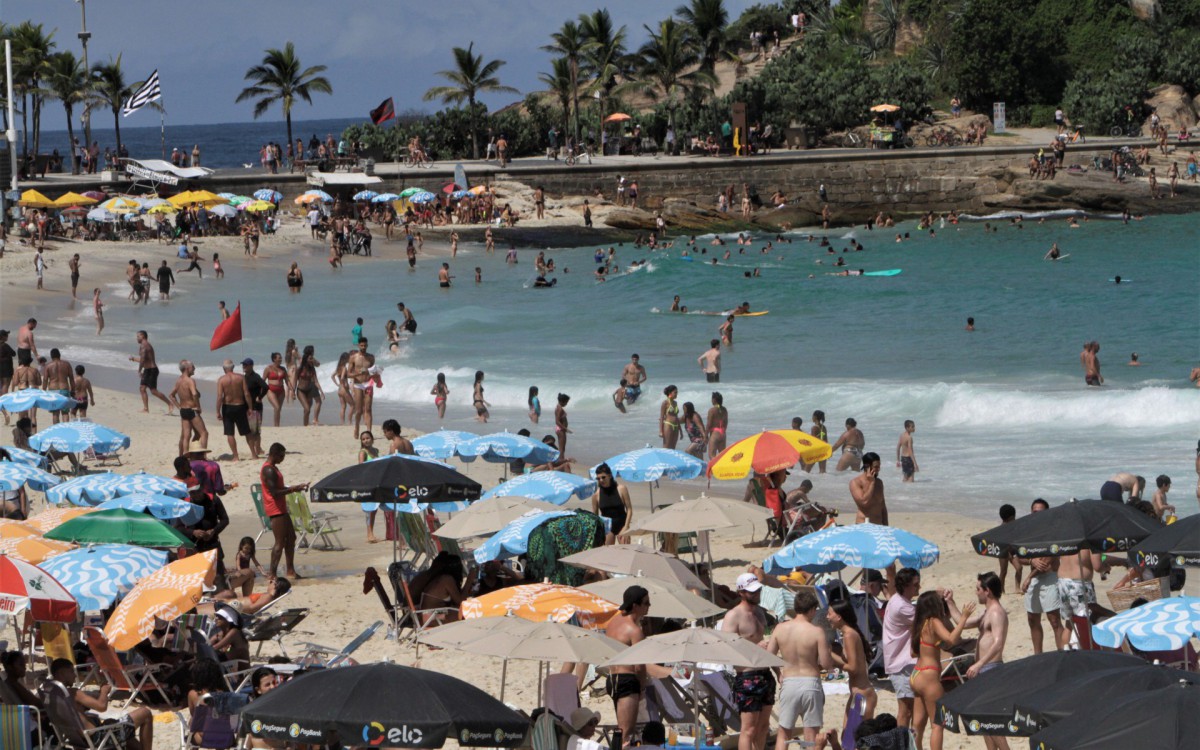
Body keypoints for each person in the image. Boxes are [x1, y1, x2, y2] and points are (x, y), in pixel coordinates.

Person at [767, 590, 832, 749]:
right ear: (810, 609)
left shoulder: (780, 629)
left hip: (789, 681)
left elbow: (768, 656)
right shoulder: (816, 631)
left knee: (784, 733)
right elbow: (826, 664)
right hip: (810, 683)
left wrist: (779, 674)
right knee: (811, 735)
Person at [910, 591, 975, 750]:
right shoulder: (933, 622)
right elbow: (952, 639)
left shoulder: (920, 623)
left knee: (917, 723)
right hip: (929, 677)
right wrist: (964, 617)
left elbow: (913, 653)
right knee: (937, 725)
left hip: (916, 675)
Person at [45, 657, 154, 750]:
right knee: (145, 713)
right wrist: (104, 691)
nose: (75, 675)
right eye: (71, 672)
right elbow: (102, 707)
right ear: (61, 673)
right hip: (98, 737)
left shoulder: (50, 693)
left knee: (119, 727)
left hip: (78, 740)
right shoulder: (72, 693)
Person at [724, 573, 773, 750]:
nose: (756, 594)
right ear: (741, 592)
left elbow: (764, 644)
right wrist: (754, 647)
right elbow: (728, 649)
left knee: (763, 727)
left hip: (765, 673)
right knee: (749, 729)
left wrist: (778, 670)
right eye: (752, 592)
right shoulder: (733, 616)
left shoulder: (760, 612)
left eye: (758, 590)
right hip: (747, 675)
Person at [604, 586, 650, 746]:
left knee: (621, 732)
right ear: (635, 605)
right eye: (646, 603)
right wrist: (643, 687)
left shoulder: (613, 623)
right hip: (627, 681)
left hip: (612, 679)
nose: (649, 606)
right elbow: (639, 666)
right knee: (626, 734)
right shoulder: (635, 631)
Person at [1020, 499, 1064, 654]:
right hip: (1035, 580)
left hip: (1050, 578)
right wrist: (1031, 560)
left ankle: (1061, 652)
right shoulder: (1029, 532)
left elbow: (1048, 559)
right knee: (1032, 619)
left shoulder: (1052, 531)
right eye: (1034, 512)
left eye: (1041, 512)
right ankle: (1037, 654)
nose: (1037, 515)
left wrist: (1029, 576)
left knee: (1054, 620)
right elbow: (1020, 556)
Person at [260, 443, 308, 579]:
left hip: (281, 507)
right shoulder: (268, 470)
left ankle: (290, 570)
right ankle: (272, 574)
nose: (283, 458)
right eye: (281, 456)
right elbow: (275, 492)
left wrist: (294, 487)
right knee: (279, 542)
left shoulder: (274, 468)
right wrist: (294, 489)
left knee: (291, 537)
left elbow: (278, 487)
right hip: (275, 509)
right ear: (274, 454)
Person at [882, 568, 920, 731]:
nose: (919, 587)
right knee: (906, 711)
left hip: (900, 661)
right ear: (905, 586)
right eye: (915, 584)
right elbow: (925, 622)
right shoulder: (902, 607)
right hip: (902, 664)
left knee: (909, 711)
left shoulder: (898, 599)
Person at [828, 599, 877, 720]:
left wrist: (831, 655)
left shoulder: (849, 635)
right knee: (847, 737)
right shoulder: (849, 633)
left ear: (839, 617)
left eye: (829, 613)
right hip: (859, 693)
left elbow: (853, 668)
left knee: (852, 738)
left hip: (862, 694)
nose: (827, 617)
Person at [408, 551, 465, 625]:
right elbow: (461, 602)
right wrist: (469, 580)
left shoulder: (439, 578)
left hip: (425, 617)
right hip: (430, 619)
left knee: (462, 611)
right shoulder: (446, 579)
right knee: (466, 613)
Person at [216, 359, 253, 461]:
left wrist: (217, 411)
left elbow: (220, 397)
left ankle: (236, 456)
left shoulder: (221, 380)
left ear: (224, 369)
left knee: (230, 433)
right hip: (240, 406)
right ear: (233, 367)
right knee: (247, 432)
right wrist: (250, 407)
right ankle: (254, 454)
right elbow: (246, 394)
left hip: (228, 407)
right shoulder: (241, 377)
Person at [170, 360, 208, 457]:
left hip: (183, 410)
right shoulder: (190, 380)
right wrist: (198, 406)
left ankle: (184, 456)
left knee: (186, 436)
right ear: (187, 369)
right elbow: (195, 394)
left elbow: (171, 395)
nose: (194, 368)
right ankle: (202, 456)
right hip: (192, 410)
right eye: (193, 367)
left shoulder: (179, 380)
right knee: (204, 433)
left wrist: (179, 407)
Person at [130, 330, 173, 414]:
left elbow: (142, 360)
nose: (137, 338)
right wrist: (134, 359)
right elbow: (144, 360)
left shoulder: (144, 346)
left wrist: (139, 370)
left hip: (152, 371)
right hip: (147, 370)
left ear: (143, 336)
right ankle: (146, 409)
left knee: (153, 391)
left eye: (138, 336)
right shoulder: (144, 345)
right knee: (142, 388)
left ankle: (170, 404)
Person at [591, 462, 633, 545]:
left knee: (626, 550)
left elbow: (629, 509)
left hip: (622, 524)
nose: (601, 480)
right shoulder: (596, 495)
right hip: (607, 527)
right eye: (598, 478)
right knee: (608, 554)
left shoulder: (621, 489)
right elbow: (595, 517)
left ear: (610, 476)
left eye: (603, 477)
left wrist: (626, 526)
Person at [849, 453, 888, 525]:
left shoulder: (879, 482)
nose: (878, 469)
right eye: (876, 467)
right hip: (863, 524)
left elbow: (883, 507)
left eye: (879, 466)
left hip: (879, 525)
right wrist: (872, 483)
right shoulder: (856, 482)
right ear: (867, 467)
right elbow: (864, 502)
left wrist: (886, 527)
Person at [241, 358, 267, 459]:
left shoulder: (255, 377)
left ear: (251, 366)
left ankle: (258, 448)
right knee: (251, 429)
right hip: (246, 407)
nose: (244, 367)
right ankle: (258, 448)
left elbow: (265, 387)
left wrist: (259, 397)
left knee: (255, 430)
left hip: (256, 407)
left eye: (246, 365)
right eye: (243, 365)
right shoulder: (243, 378)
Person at [43, 349, 74, 425]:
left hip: (53, 391)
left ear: (51, 356)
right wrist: (73, 390)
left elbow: (45, 379)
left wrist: (43, 390)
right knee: (65, 413)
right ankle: (66, 430)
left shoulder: (48, 366)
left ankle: (56, 430)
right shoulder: (67, 364)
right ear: (59, 355)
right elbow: (71, 378)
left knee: (55, 413)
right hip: (64, 389)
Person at [294, 345, 323, 427]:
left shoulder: (312, 364)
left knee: (308, 408)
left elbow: (318, 365)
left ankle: (306, 424)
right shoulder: (302, 363)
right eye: (313, 351)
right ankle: (306, 424)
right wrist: (292, 391)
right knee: (307, 408)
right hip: (301, 388)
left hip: (310, 386)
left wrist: (312, 359)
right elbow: (295, 379)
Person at [996, 504, 1022, 593]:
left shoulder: (1013, 526)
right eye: (1013, 517)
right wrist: (1008, 554)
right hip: (1003, 552)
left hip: (1012, 551)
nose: (1015, 519)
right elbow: (1000, 544)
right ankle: (1001, 589)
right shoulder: (1001, 529)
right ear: (1009, 518)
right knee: (1003, 571)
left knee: (1019, 568)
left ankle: (1017, 588)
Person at [706, 391, 728, 457]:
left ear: (714, 400)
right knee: (722, 456)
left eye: (712, 399)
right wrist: (722, 432)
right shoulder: (724, 409)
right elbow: (726, 423)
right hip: (723, 433)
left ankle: (713, 467)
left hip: (715, 433)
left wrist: (705, 435)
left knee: (711, 456)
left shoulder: (712, 410)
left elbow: (709, 424)